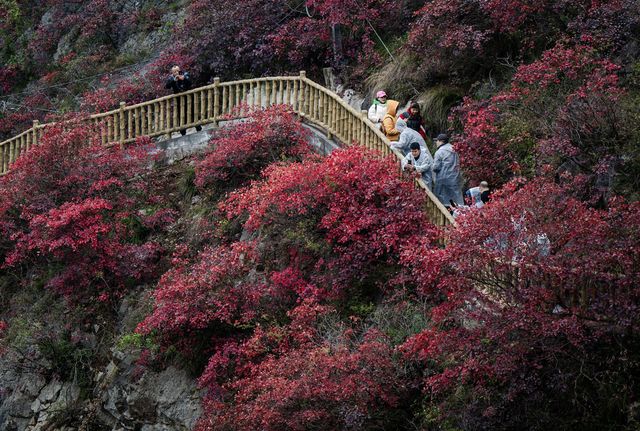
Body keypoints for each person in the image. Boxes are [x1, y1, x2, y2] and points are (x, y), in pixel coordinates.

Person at [165, 65, 202, 136]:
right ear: (172, 72)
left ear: (180, 70)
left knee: (193, 112)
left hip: (189, 98)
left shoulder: (185, 74)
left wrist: (183, 79)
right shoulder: (171, 77)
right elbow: (167, 86)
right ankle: (183, 133)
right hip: (178, 100)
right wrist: (173, 80)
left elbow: (190, 82)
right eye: (174, 71)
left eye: (177, 71)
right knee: (181, 115)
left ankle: (198, 128)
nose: (176, 72)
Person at [432, 133, 463, 206]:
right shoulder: (454, 149)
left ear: (440, 141)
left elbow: (436, 167)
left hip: (443, 180)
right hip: (456, 178)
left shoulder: (439, 152)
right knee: (458, 202)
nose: (436, 142)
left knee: (443, 203)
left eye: (437, 141)